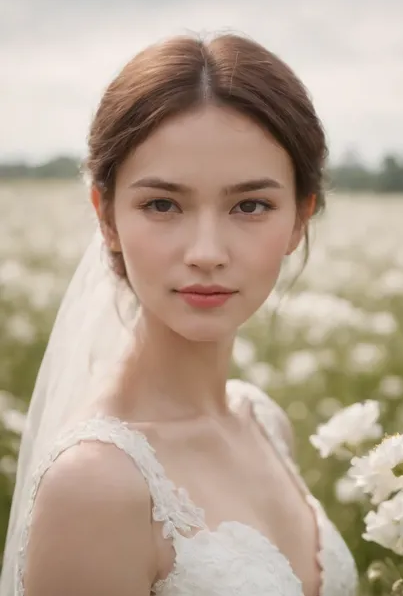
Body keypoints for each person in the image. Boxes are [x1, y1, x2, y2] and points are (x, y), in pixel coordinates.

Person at [1, 33, 358, 596]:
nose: (207, 251)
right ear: (107, 217)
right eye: (162, 204)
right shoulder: (97, 485)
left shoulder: (264, 422)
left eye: (251, 205)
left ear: (300, 218)